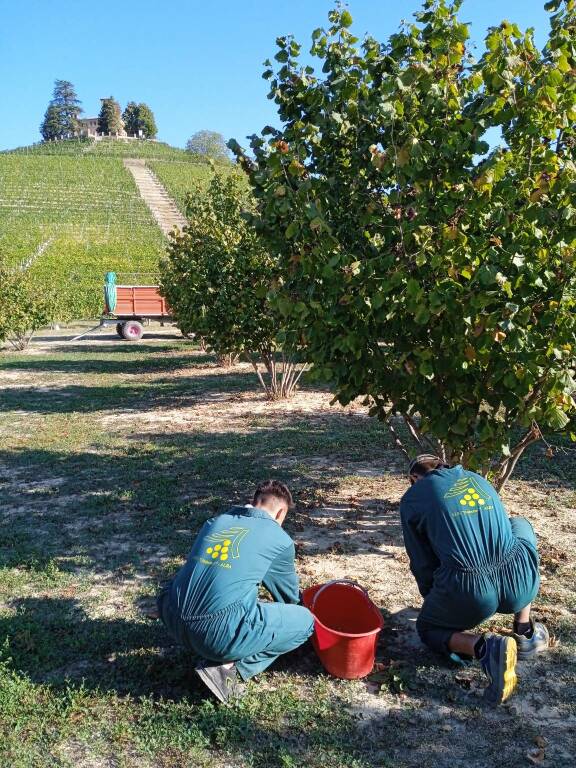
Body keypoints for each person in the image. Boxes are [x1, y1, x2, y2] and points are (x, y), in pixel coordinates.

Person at [400, 454, 550, 704]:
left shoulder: (413, 498)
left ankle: (485, 648)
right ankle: (524, 632)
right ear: (445, 466)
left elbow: (422, 563)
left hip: (471, 595)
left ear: (414, 478)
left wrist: (435, 600)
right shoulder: (477, 478)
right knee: (520, 524)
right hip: (519, 583)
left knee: (427, 629)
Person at [157, 480, 314, 702]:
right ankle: (229, 669)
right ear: (281, 513)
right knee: (306, 621)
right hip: (214, 635)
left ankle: (204, 639)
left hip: (171, 615)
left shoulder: (215, 522)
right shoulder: (279, 539)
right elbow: (288, 597)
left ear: (253, 502)